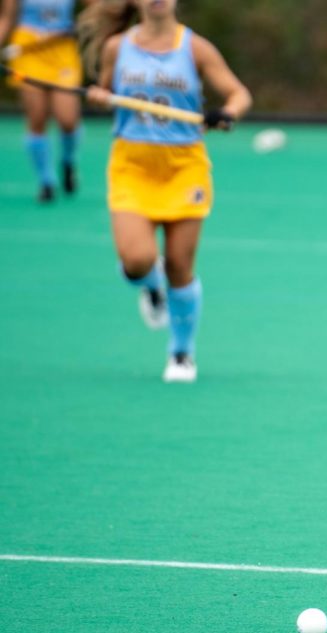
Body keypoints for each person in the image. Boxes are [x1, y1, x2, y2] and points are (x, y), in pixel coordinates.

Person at [78, 0, 250, 383]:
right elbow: (106, 91)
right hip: (131, 165)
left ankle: (181, 352)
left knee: (179, 265)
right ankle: (150, 287)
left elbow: (239, 94)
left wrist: (228, 114)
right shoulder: (117, 48)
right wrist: (100, 97)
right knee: (137, 260)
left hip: (183, 168)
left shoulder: (195, 48)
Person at [0, 0, 87, 202]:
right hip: (28, 52)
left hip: (61, 51)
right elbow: (6, 18)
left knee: (68, 120)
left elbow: (100, 9)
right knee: (37, 119)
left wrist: (81, 24)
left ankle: (68, 160)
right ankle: (46, 181)